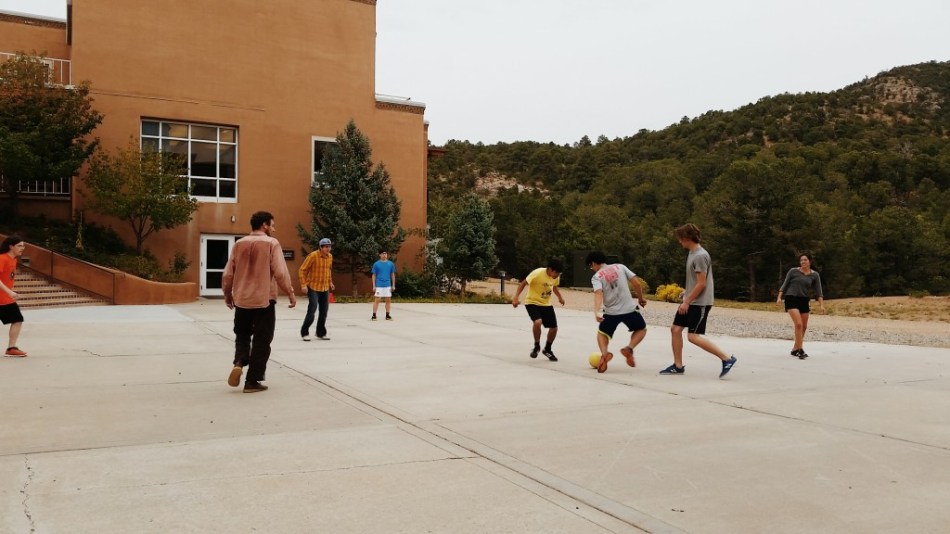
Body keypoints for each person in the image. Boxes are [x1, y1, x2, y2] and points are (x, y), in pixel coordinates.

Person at [223, 211, 296, 393]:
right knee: (262, 341)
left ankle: (239, 362)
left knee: (242, 335)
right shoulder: (272, 243)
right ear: (264, 225)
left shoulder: (239, 244)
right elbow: (280, 273)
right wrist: (290, 293)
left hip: (241, 300)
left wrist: (227, 294)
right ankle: (252, 381)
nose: (274, 228)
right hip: (264, 300)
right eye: (272, 224)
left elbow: (228, 274)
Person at [660, 223, 737, 379]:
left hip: (699, 302)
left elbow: (702, 283)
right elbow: (696, 280)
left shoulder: (700, 255)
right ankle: (678, 366)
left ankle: (727, 358)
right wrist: (686, 292)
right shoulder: (692, 253)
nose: (679, 242)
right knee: (675, 329)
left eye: (680, 239)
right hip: (691, 299)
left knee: (693, 336)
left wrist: (687, 301)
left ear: (687, 238)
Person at [587, 251, 647, 373]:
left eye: (591, 266)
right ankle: (629, 348)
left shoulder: (597, 277)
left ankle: (604, 354)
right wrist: (640, 298)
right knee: (641, 329)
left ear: (593, 263)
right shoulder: (620, 267)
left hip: (611, 313)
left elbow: (598, 294)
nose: (592, 269)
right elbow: (636, 283)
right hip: (629, 309)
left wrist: (596, 311)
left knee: (602, 333)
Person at [511, 259, 565, 362]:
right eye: (556, 273)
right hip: (532, 302)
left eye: (559, 274)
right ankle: (536, 346)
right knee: (537, 321)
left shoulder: (556, 276)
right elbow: (523, 283)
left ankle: (547, 349)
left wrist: (560, 297)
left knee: (554, 328)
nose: (557, 275)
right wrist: (516, 297)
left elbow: (554, 287)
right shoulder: (538, 273)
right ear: (550, 269)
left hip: (546, 304)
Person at [777, 252, 825, 359]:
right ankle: (800, 349)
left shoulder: (815, 275)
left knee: (804, 326)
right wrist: (779, 297)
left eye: (805, 260)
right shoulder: (793, 271)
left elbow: (819, 291)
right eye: (801, 260)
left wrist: (822, 305)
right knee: (798, 324)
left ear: (810, 261)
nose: (802, 262)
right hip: (791, 298)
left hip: (804, 300)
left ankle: (795, 348)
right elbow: (785, 284)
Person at [299, 237, 335, 341]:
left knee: (324, 312)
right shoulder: (313, 256)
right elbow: (302, 270)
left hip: (324, 287)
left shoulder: (330, 257)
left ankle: (320, 333)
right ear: (321, 247)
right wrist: (303, 285)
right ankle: (305, 332)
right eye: (326, 247)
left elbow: (328, 271)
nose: (328, 249)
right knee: (312, 309)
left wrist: (330, 282)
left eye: (329, 247)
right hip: (313, 287)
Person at [1, 236, 28, 357]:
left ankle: (11, 348)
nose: (22, 248)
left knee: (17, 319)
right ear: (11, 246)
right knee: (17, 319)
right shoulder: (2, 258)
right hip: (3, 298)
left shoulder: (13, 259)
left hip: (5, 298)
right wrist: (9, 292)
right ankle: (11, 348)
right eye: (19, 245)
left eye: (23, 246)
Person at [371, 250, 396, 321]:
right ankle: (374, 315)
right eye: (383, 253)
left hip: (387, 285)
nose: (384, 255)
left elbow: (392, 275)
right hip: (379, 285)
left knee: (388, 300)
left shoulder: (390, 264)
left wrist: (393, 285)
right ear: (380, 255)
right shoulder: (376, 264)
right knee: (377, 299)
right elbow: (374, 275)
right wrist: (374, 286)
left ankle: (387, 315)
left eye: (385, 253)